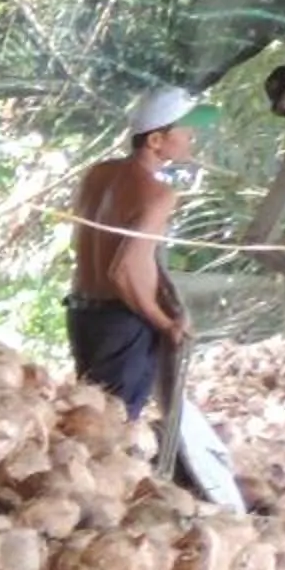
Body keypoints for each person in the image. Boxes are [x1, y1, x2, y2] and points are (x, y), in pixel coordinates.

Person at [69, 87, 215, 421]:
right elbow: (123, 271)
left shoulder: (97, 174)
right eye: (186, 130)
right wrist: (165, 323)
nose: (193, 136)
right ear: (155, 141)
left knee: (88, 417)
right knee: (113, 426)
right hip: (121, 322)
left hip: (81, 312)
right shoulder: (158, 194)